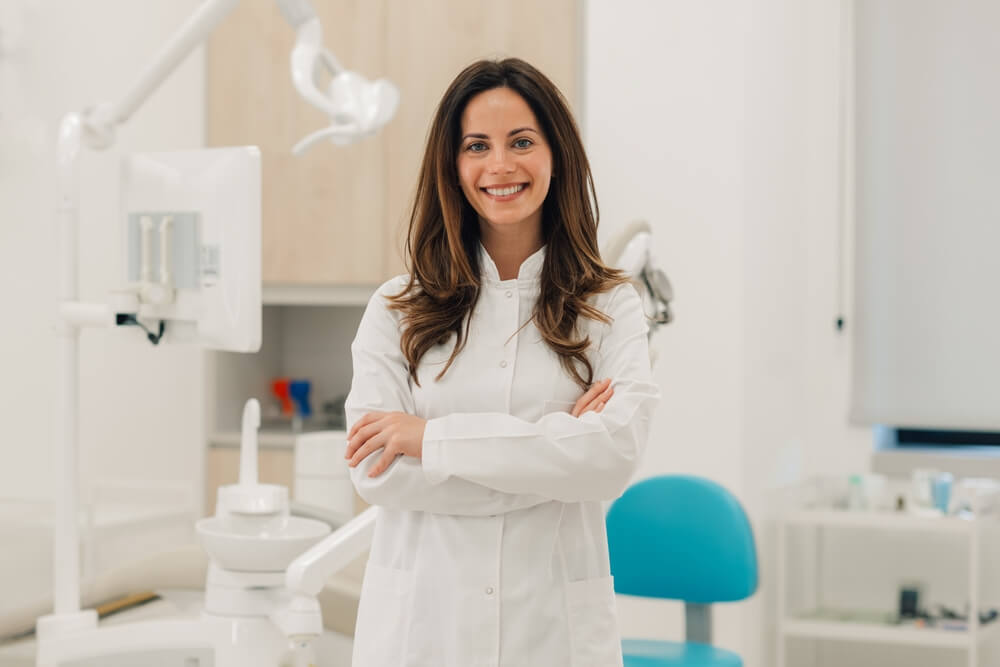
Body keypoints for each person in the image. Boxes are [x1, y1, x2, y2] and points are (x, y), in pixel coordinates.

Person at [343, 57, 660, 667]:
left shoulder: (609, 306)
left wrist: (429, 439)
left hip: (551, 633)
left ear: (555, 154)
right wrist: (556, 449)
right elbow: (377, 473)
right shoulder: (395, 308)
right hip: (423, 632)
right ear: (452, 164)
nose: (500, 165)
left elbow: (611, 461)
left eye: (521, 142)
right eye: (477, 146)